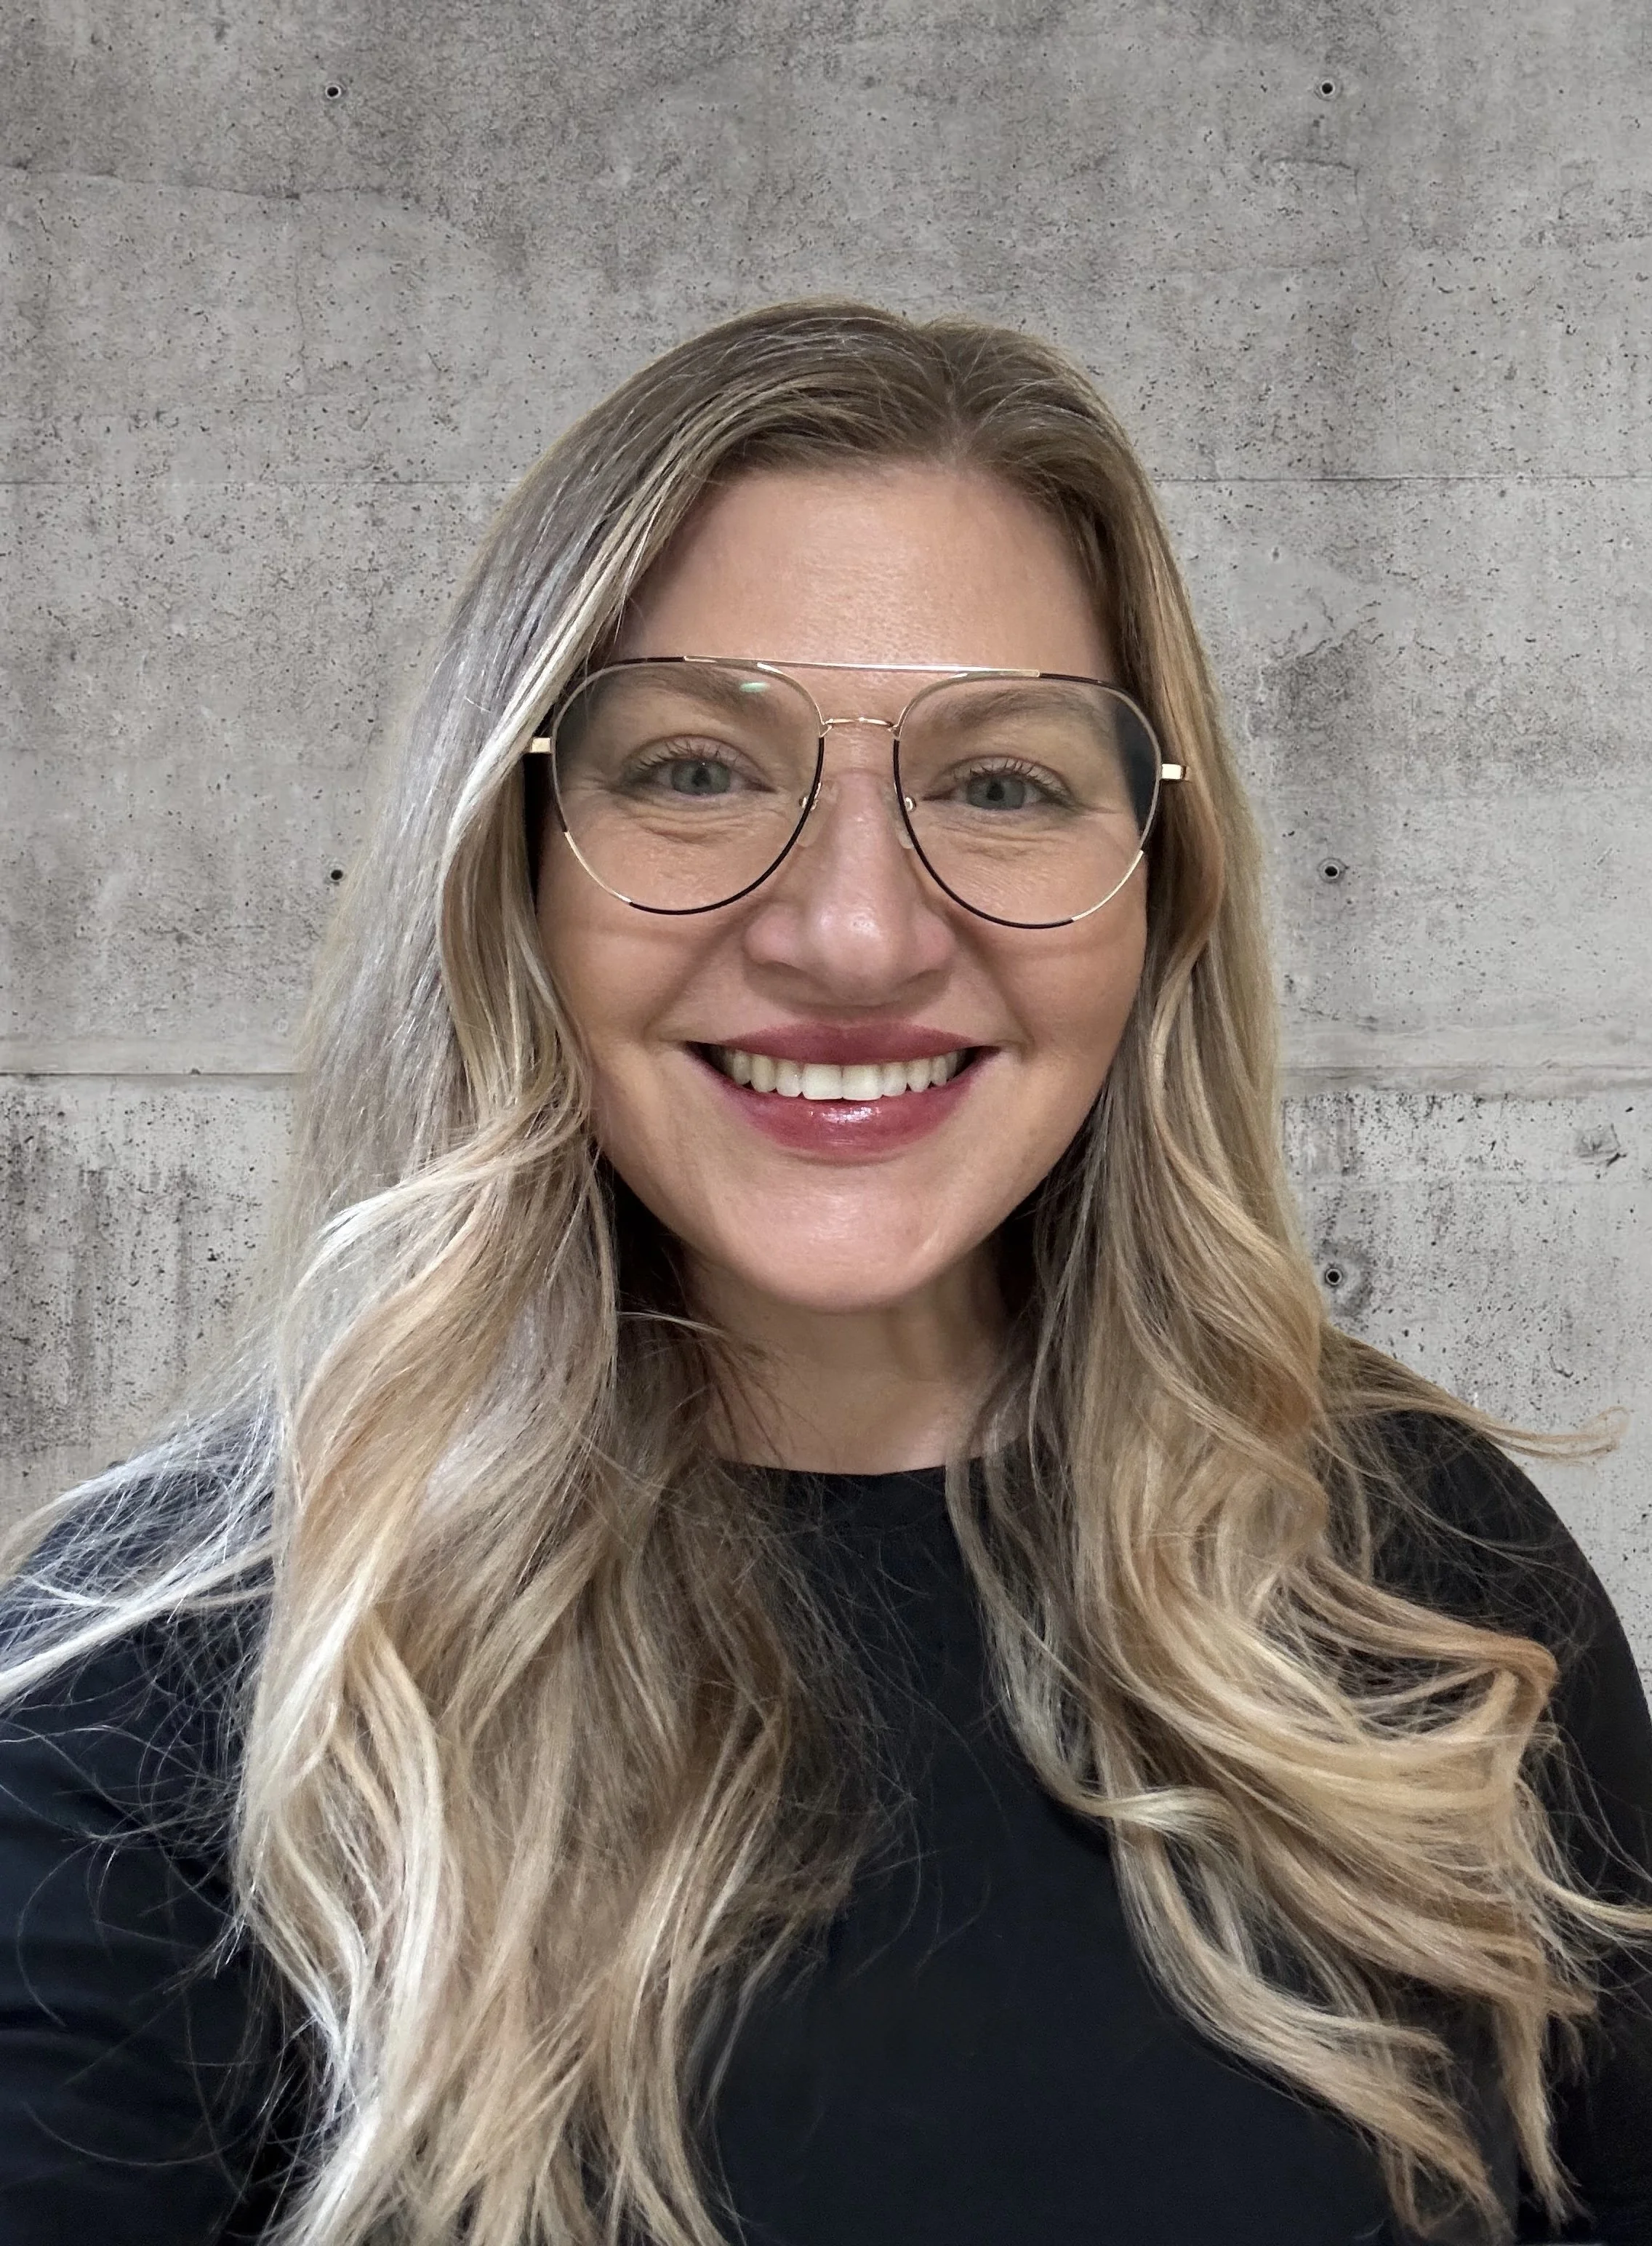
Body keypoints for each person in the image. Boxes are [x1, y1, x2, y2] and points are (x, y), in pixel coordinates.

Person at [1, 301, 1648, 2246]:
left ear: (1158, 891)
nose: (858, 934)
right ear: (512, 865)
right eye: (699, 768)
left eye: (1003, 785)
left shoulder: (1427, 1579)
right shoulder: (161, 1697)